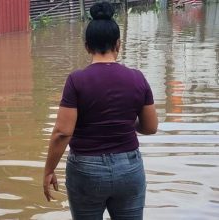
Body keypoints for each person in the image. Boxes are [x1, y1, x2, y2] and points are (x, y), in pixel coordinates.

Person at [43, 2, 158, 220]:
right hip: (129, 169)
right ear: (119, 44)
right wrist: (125, 121)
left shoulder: (77, 80)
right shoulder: (137, 78)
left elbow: (62, 132)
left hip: (86, 169)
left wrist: (48, 171)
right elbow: (150, 127)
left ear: (86, 46)